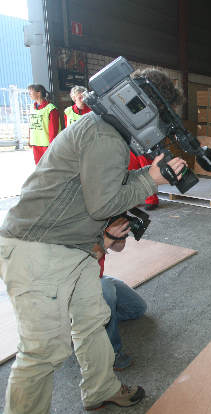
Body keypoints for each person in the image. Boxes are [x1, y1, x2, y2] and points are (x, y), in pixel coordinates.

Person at [0, 68, 187, 413]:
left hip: (73, 248)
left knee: (91, 321)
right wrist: (151, 181)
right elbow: (103, 202)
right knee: (42, 350)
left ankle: (100, 388)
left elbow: (104, 187)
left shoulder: (107, 130)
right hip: (39, 249)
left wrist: (147, 173)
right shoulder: (104, 136)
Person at [99, 217, 147, 371]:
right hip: (74, 282)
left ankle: (90, 325)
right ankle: (112, 354)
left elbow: (118, 248)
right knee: (106, 290)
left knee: (137, 309)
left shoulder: (103, 212)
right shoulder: (76, 221)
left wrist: (121, 233)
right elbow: (81, 262)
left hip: (96, 276)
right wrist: (108, 237)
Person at [27, 84, 60, 164]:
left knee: (49, 166)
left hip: (47, 144)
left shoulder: (51, 108)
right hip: (36, 142)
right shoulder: (32, 108)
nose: (29, 95)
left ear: (39, 93)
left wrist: (52, 144)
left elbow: (53, 129)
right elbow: (31, 125)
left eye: (31, 92)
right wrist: (29, 139)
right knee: (38, 166)